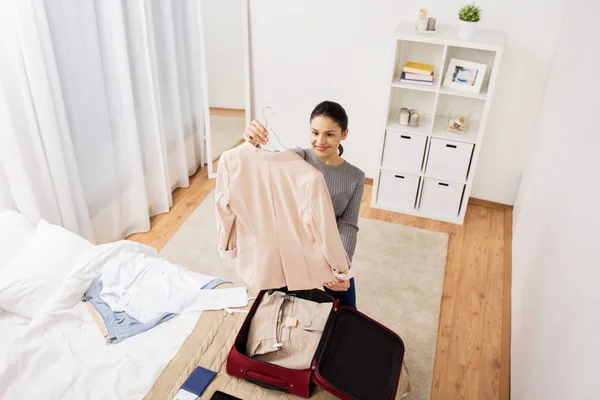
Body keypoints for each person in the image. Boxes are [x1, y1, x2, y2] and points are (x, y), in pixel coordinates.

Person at [242, 101, 365, 308]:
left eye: (329, 134)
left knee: (346, 311)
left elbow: (347, 225)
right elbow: (264, 164)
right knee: (275, 306)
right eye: (315, 132)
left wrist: (341, 268)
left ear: (344, 134)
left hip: (327, 251)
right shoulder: (298, 157)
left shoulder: (355, 177)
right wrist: (252, 143)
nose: (320, 141)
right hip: (292, 249)